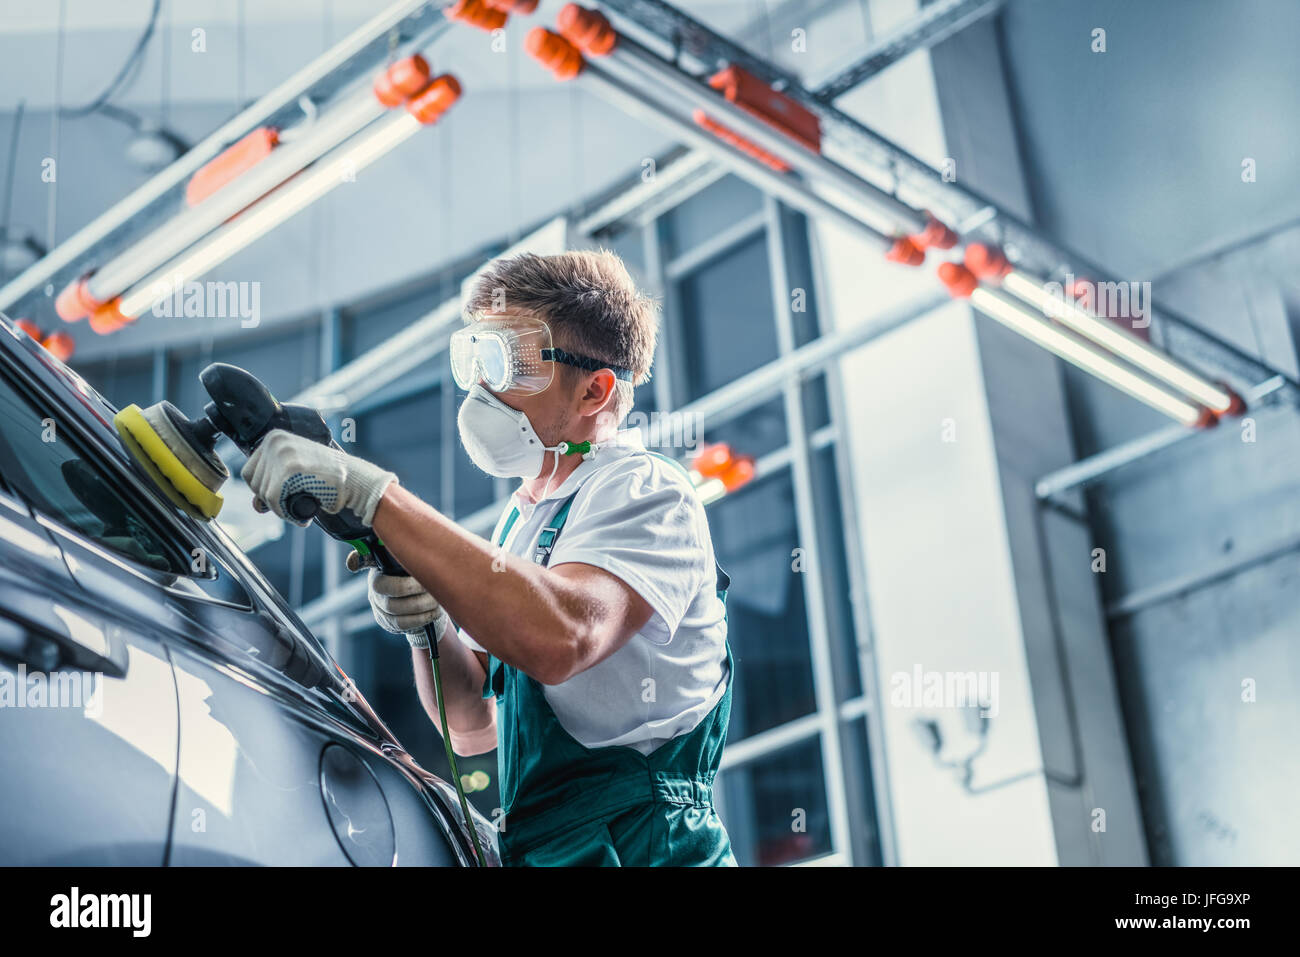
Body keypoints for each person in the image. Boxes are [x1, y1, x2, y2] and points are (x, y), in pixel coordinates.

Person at [240, 250, 735, 866]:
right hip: (550, 847)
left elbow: (564, 636)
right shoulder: (522, 524)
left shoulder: (645, 489)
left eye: (510, 363)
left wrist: (376, 495)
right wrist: (429, 628)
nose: (482, 389)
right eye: (475, 360)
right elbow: (473, 723)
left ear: (594, 388)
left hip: (643, 846)